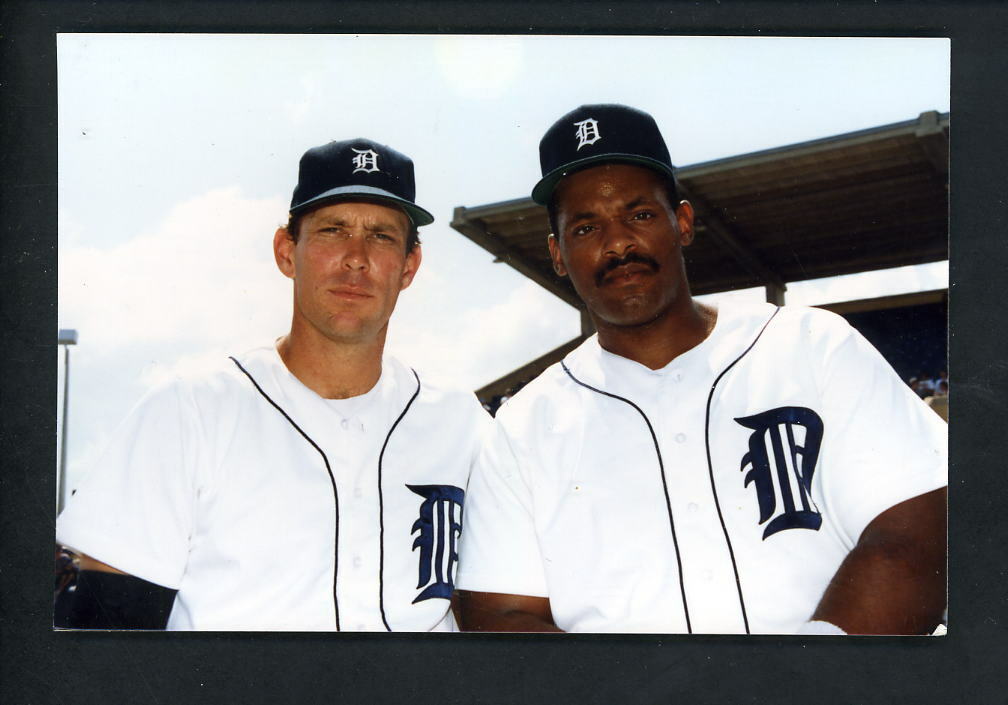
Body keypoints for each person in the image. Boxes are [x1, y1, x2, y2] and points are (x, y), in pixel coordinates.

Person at [455, 104, 948, 635]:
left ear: (682, 223)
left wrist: (806, 681)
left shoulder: (811, 346)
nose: (618, 243)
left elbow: (918, 531)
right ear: (557, 253)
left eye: (640, 215)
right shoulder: (524, 424)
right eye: (586, 227)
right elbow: (500, 611)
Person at [56, 138, 488, 631]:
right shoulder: (189, 409)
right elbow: (104, 629)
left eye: (382, 236)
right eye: (332, 230)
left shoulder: (461, 420)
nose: (356, 257)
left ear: (409, 266)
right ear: (287, 251)